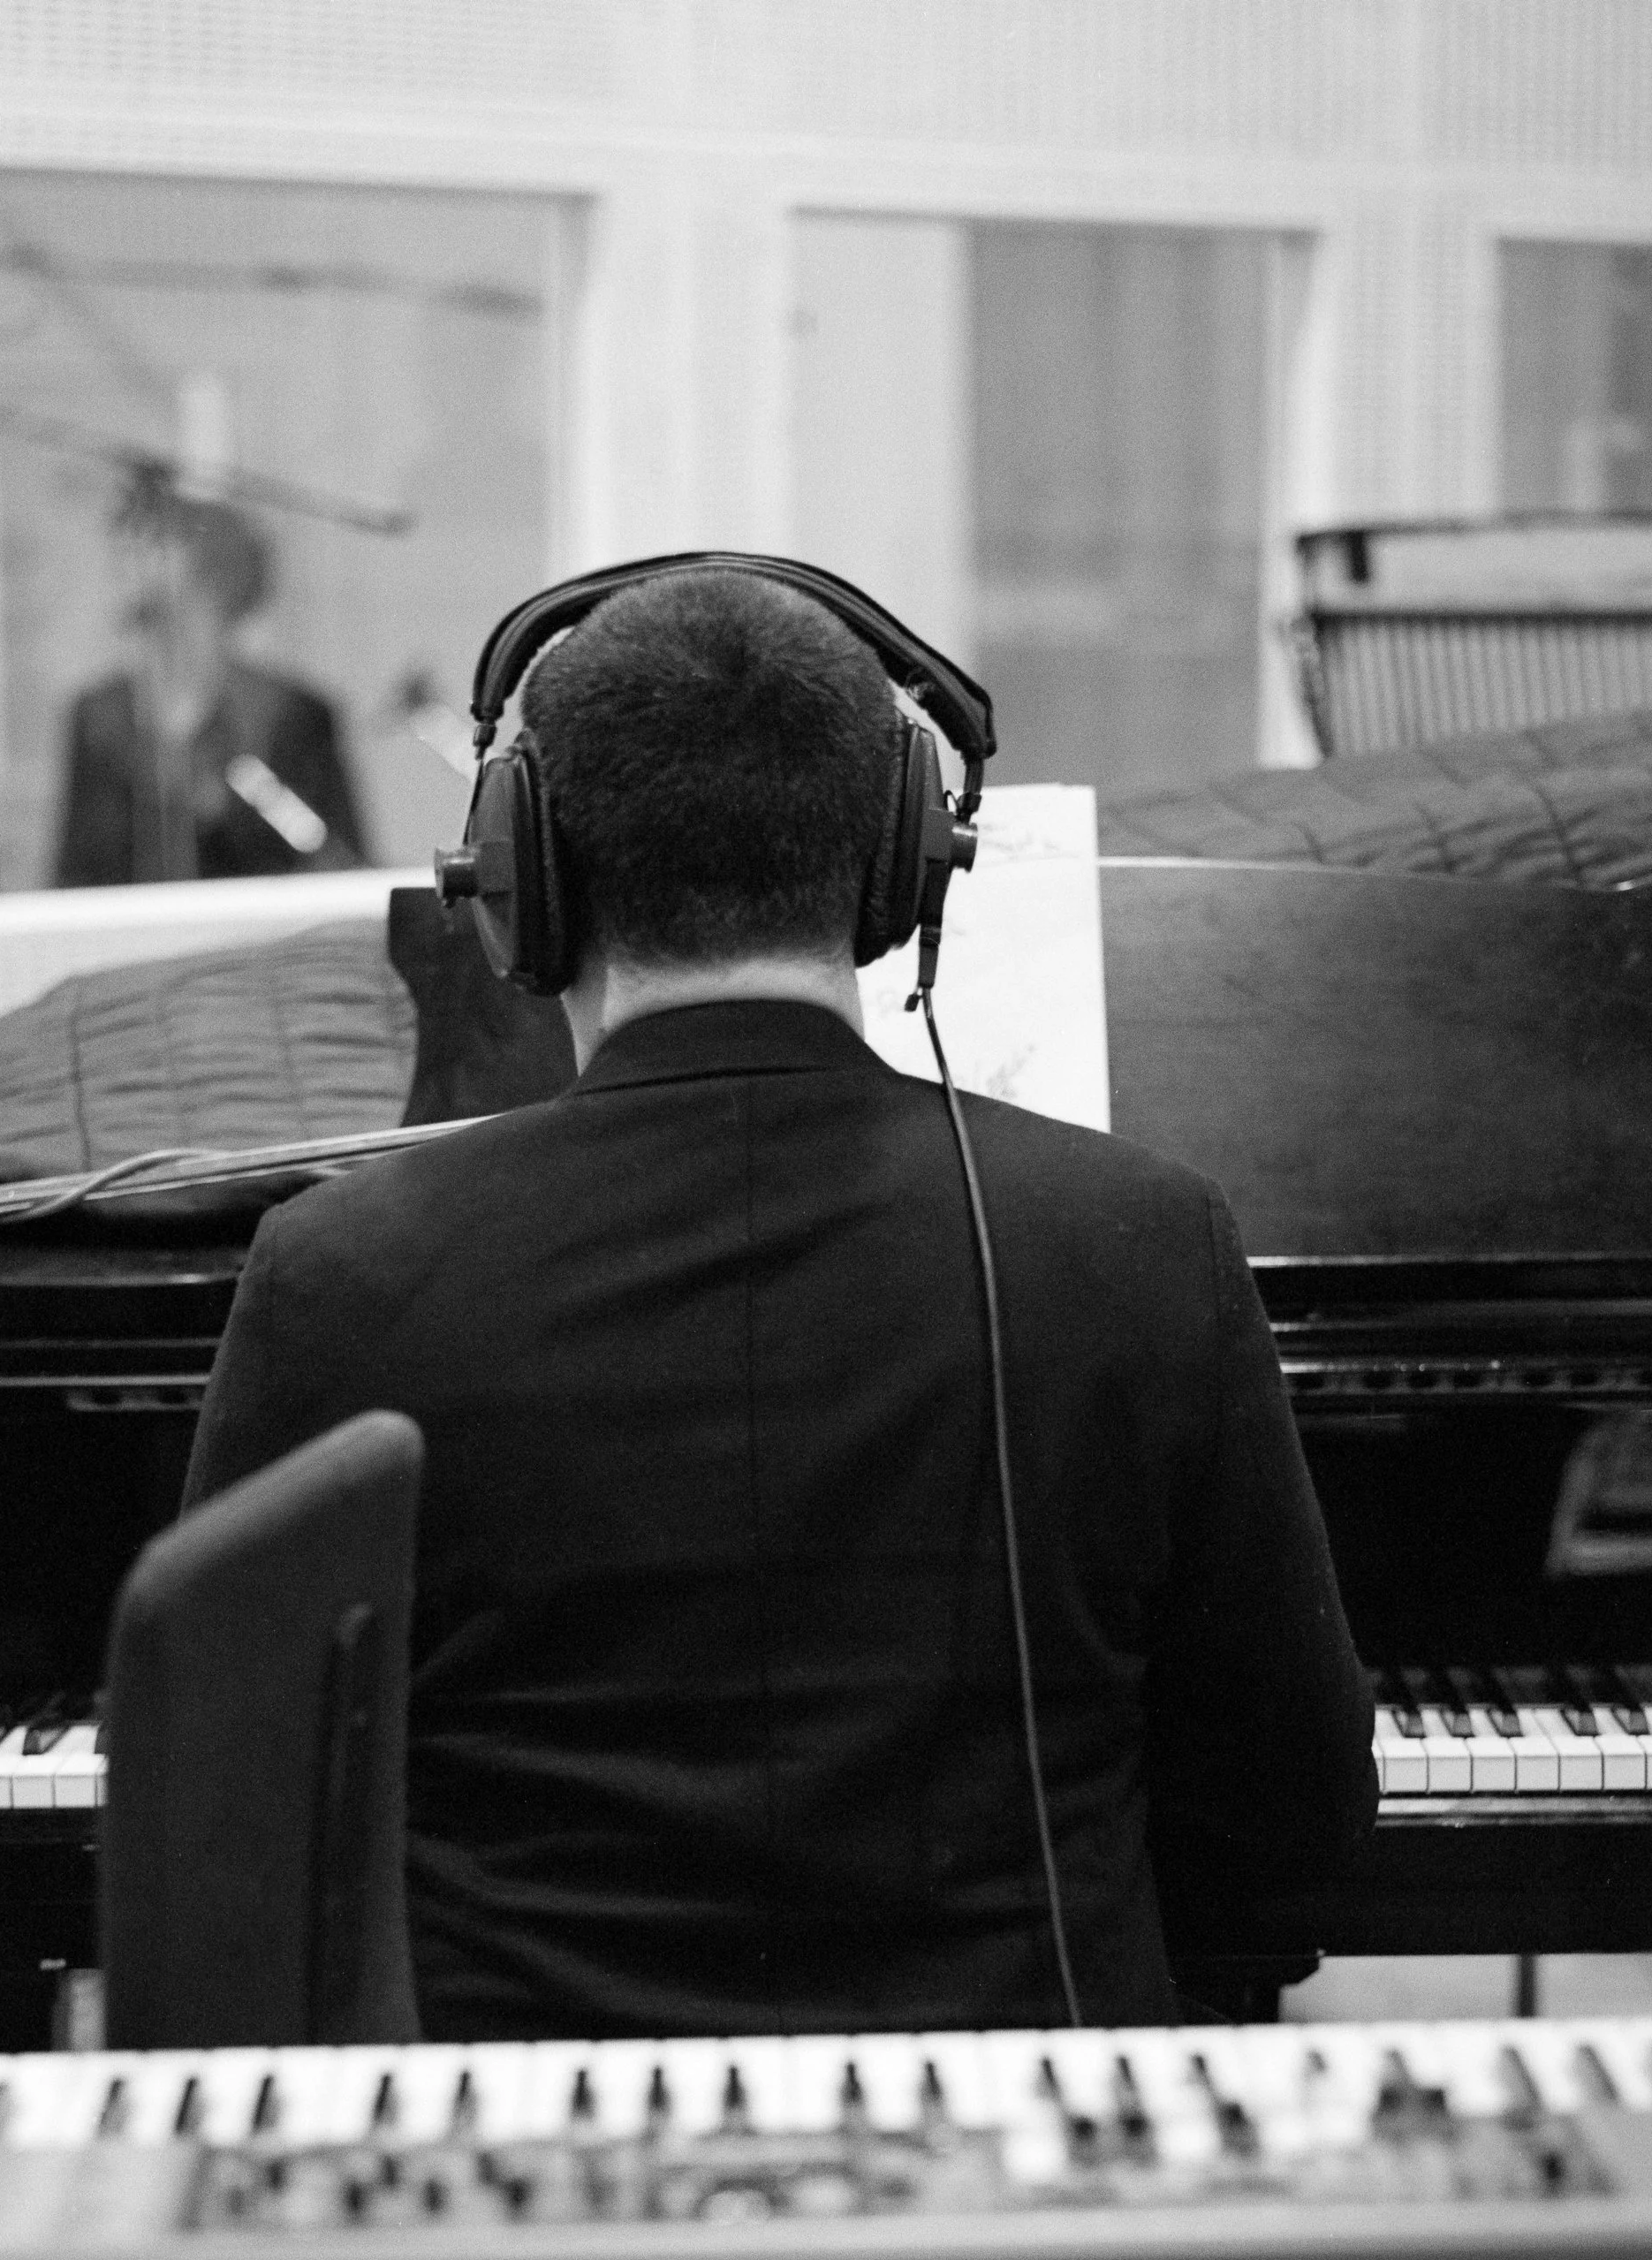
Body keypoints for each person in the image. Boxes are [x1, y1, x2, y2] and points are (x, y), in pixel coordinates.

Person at [184, 563, 1374, 2045]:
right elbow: (1292, 1829)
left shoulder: (340, 1273)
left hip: (527, 2161)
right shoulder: (1145, 1243)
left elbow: (228, 1836)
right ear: (900, 862)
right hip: (1015, 2153)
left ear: (520, 874)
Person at [52, 477, 369, 887]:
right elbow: (72, 877)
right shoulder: (100, 717)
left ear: (210, 566)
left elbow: (335, 865)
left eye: (156, 540)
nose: (125, 556)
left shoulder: (289, 713)